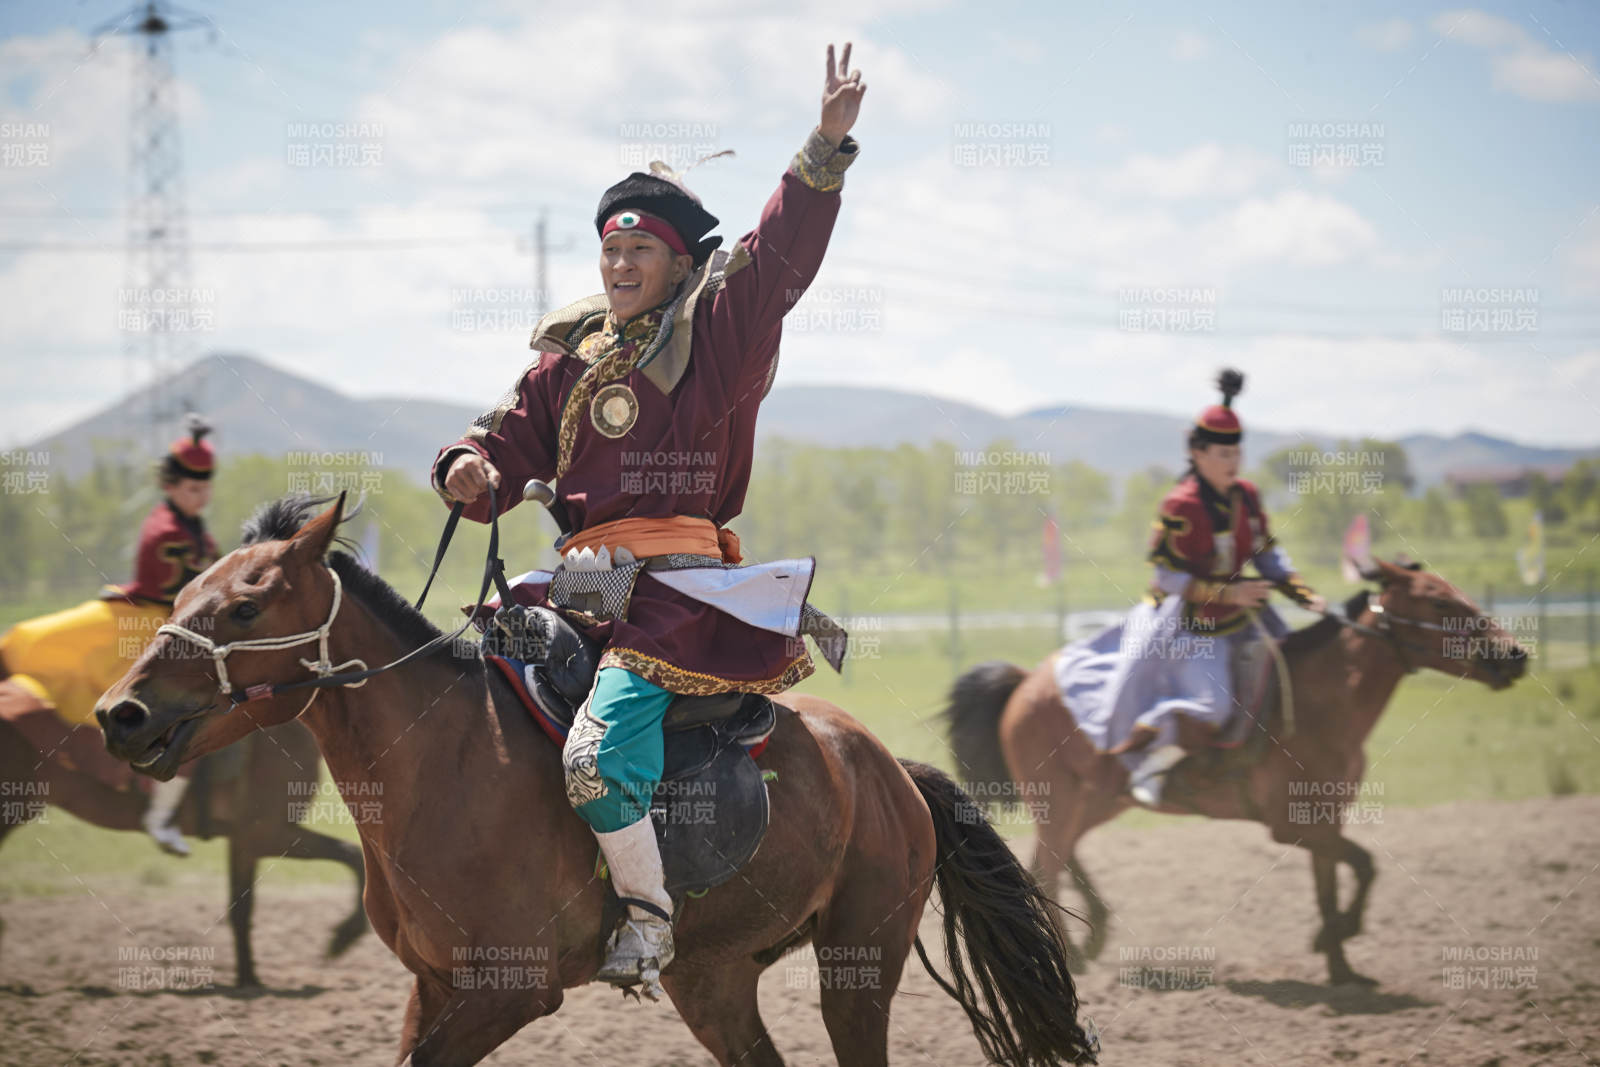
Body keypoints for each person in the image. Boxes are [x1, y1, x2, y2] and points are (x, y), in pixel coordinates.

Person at [432, 44, 865, 996]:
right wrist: (470, 469)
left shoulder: (719, 333)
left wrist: (824, 149)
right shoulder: (568, 356)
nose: (621, 264)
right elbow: (505, 442)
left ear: (677, 265)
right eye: (611, 249)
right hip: (583, 580)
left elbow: (777, 260)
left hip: (674, 587)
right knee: (459, 696)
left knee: (593, 752)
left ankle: (648, 917)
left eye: (641, 251)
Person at [1053, 370, 1325, 806]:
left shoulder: (1248, 497)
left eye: (1236, 451)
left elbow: (1266, 553)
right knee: (1212, 708)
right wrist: (1230, 593)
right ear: (1197, 454)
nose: (1232, 461)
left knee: (1297, 678)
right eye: (1221, 452)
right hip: (1188, 627)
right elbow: (1167, 577)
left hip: (1247, 620)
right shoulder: (1180, 505)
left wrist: (1301, 592)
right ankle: (1154, 767)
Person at [0, 416, 219, 854]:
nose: (201, 496)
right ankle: (159, 816)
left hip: (169, 620)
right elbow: (184, 591)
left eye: (205, 488)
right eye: (192, 489)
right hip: (150, 623)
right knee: (177, 713)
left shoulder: (192, 528)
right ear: (172, 488)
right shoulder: (168, 534)